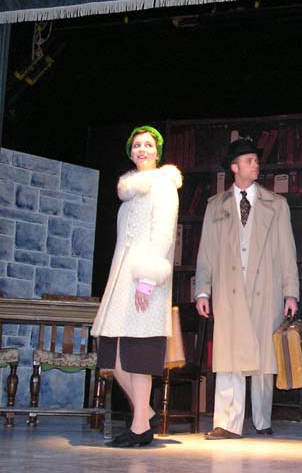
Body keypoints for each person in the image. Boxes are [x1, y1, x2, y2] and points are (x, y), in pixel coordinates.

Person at [195, 138, 299, 440]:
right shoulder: (215, 206)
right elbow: (206, 252)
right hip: (228, 291)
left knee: (264, 357)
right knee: (229, 356)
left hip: (265, 288)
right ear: (234, 167)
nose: (256, 165)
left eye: (256, 160)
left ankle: (262, 419)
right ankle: (227, 423)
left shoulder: (276, 205)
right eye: (249, 160)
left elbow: (287, 252)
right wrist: (202, 291)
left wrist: (290, 292)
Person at [91, 125, 182, 448]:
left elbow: (164, 234)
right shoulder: (129, 193)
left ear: (157, 152)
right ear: (130, 153)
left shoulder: (163, 186)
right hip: (121, 280)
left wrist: (147, 279)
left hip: (146, 279)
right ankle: (147, 413)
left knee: (137, 351)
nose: (142, 149)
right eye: (136, 145)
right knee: (111, 351)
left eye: (148, 145)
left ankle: (140, 425)